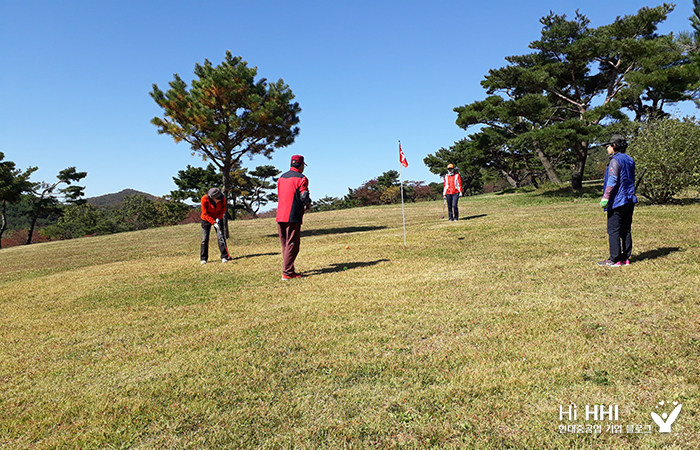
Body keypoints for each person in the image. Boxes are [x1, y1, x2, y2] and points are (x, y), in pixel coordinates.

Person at [598, 134, 637, 267]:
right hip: (629, 199)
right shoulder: (630, 159)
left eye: (608, 145)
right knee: (625, 229)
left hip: (617, 200)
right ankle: (625, 257)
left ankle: (614, 259)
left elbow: (613, 179)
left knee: (613, 229)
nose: (607, 148)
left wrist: (605, 197)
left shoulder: (615, 160)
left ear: (614, 146)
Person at [276, 155, 312, 280]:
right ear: (301, 165)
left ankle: (289, 269)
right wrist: (308, 204)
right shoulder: (302, 178)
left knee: (285, 243)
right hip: (293, 214)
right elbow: (304, 196)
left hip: (280, 214)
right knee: (292, 243)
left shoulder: (281, 178)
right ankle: (287, 272)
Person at [200, 187, 232, 264]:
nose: (220, 199)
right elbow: (205, 213)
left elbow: (223, 208)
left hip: (218, 218)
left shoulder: (222, 198)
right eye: (218, 198)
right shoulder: (204, 199)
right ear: (212, 198)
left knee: (221, 237)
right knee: (205, 238)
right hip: (206, 219)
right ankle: (203, 258)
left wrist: (218, 218)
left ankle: (224, 256)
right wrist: (213, 222)